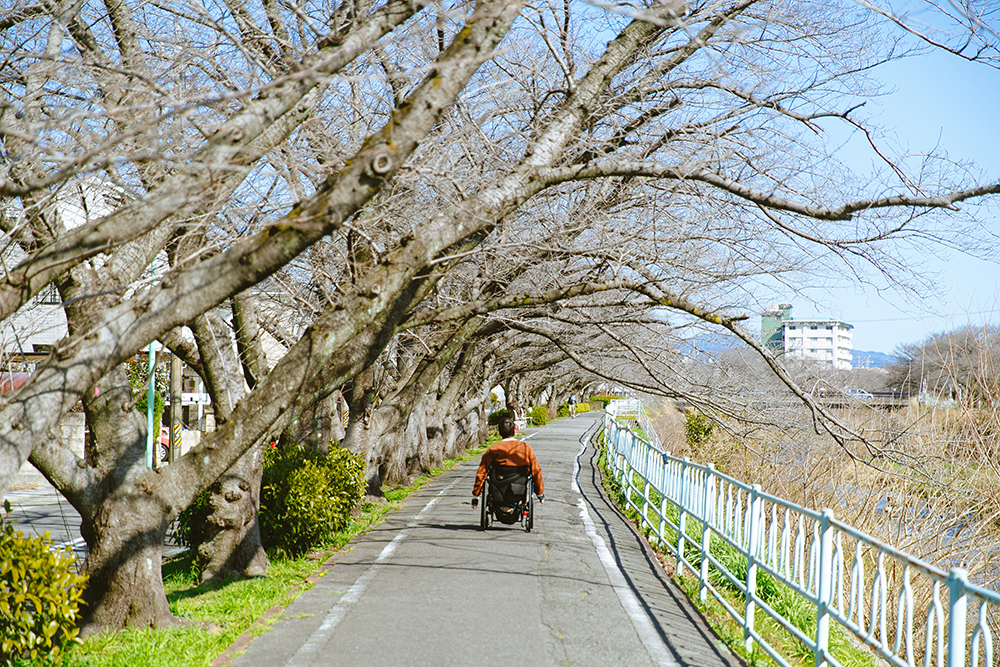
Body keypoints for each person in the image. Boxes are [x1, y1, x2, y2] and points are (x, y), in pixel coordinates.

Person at [472, 416, 544, 508]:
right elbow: (536, 472)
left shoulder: (493, 449)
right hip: (519, 490)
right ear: (514, 431)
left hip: (497, 490)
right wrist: (539, 493)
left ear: (500, 432)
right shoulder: (526, 448)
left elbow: (481, 473)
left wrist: (476, 495)